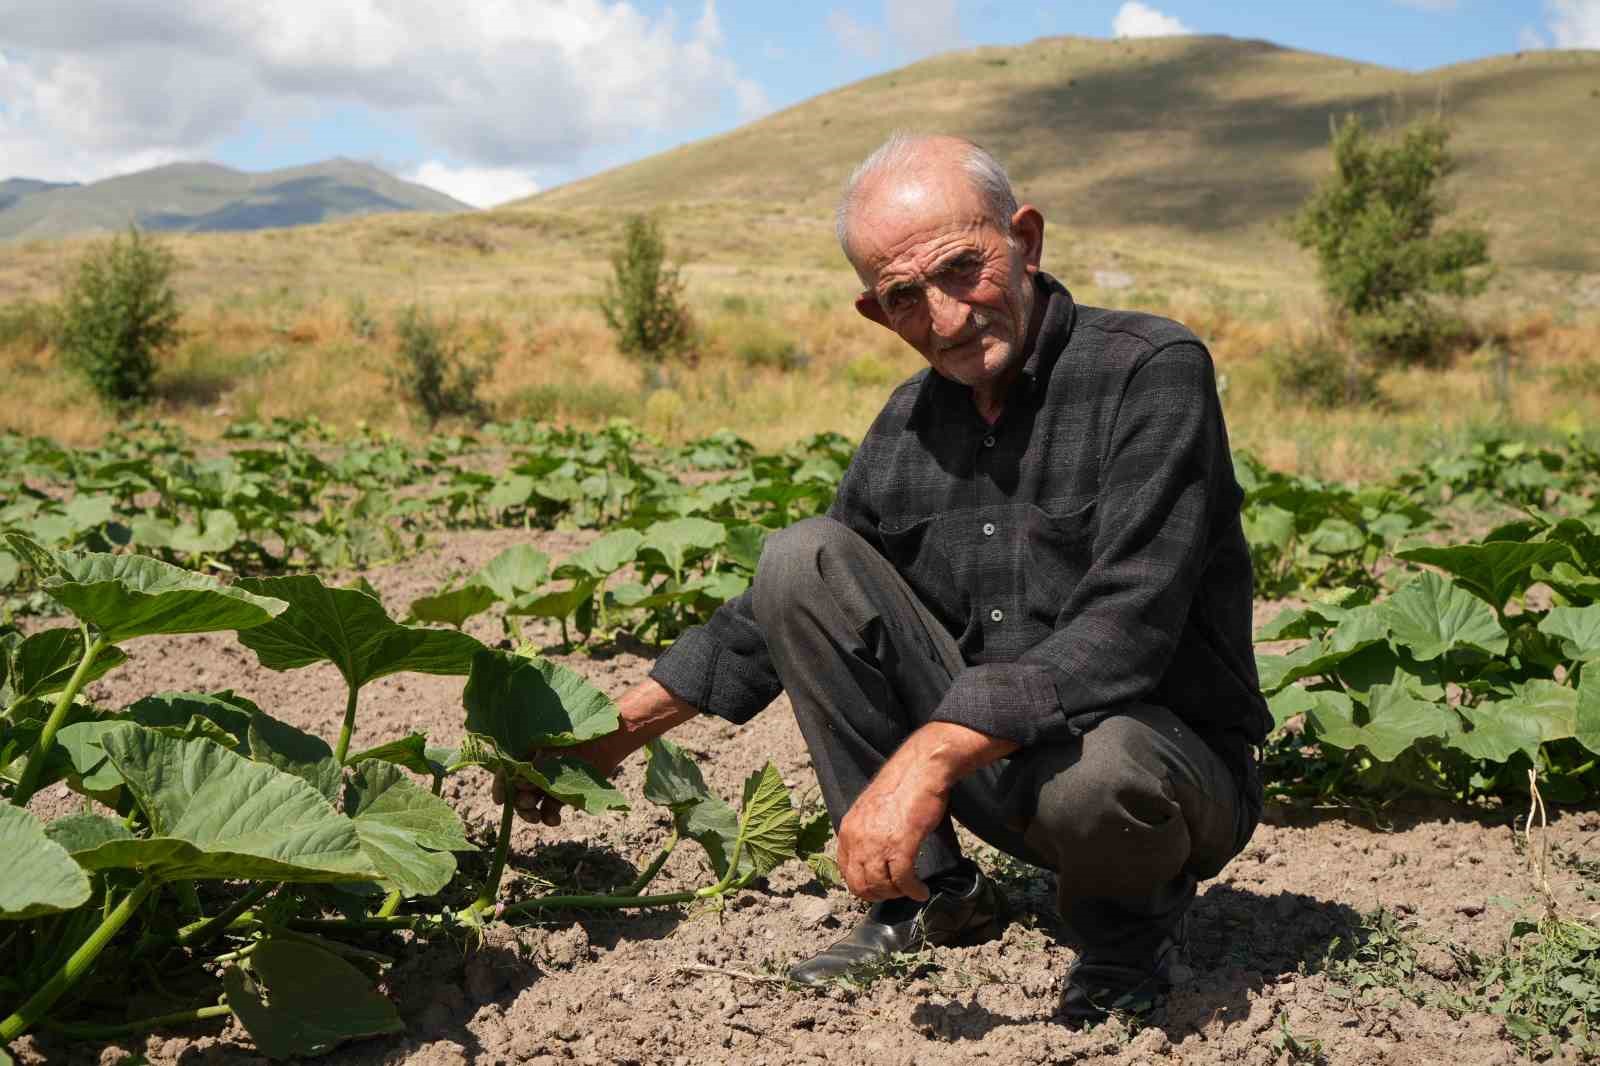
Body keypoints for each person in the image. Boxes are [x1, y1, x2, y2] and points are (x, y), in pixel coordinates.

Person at [494, 132, 1270, 1027]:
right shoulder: (908, 422)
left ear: (1025, 240)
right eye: (905, 296)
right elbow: (771, 614)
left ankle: (1124, 938)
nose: (944, 317)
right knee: (801, 559)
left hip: (1163, 768)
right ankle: (927, 896)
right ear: (876, 310)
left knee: (1100, 774)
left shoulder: (1150, 371)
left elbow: (1128, 625)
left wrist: (928, 756)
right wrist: (609, 737)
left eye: (962, 270)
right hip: (1000, 768)